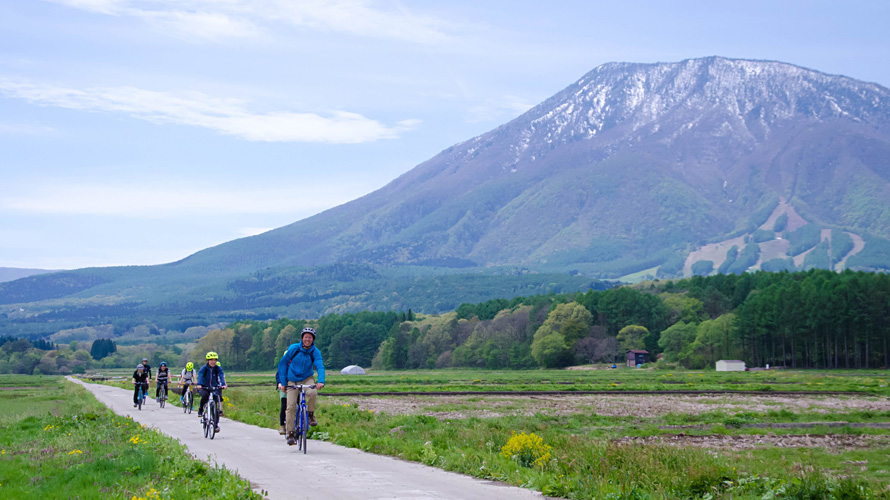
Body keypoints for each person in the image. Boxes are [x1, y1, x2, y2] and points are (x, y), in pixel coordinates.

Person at [277, 327, 325, 446]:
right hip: (292, 380)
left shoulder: (315, 351)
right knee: (291, 406)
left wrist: (320, 381)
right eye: (305, 337)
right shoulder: (294, 348)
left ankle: (310, 414)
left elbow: (319, 365)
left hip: (307, 378)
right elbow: (283, 364)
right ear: (302, 338)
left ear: (313, 339)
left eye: (310, 337)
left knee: (313, 393)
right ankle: (290, 433)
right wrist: (283, 383)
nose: (307, 339)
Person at [196, 351, 227, 434]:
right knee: (205, 395)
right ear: (207, 360)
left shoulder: (218, 368)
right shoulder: (204, 368)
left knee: (216, 406)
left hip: (214, 387)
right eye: (211, 360)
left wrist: (223, 385)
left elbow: (221, 375)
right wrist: (199, 384)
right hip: (204, 387)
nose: (213, 362)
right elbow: (200, 376)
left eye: (215, 360)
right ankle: (200, 409)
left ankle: (216, 424)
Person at [274, 350, 288, 435]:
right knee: (284, 405)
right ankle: (282, 425)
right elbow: (278, 375)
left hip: (293, 387)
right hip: (284, 387)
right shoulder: (282, 365)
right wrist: (279, 383)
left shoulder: (295, 365)